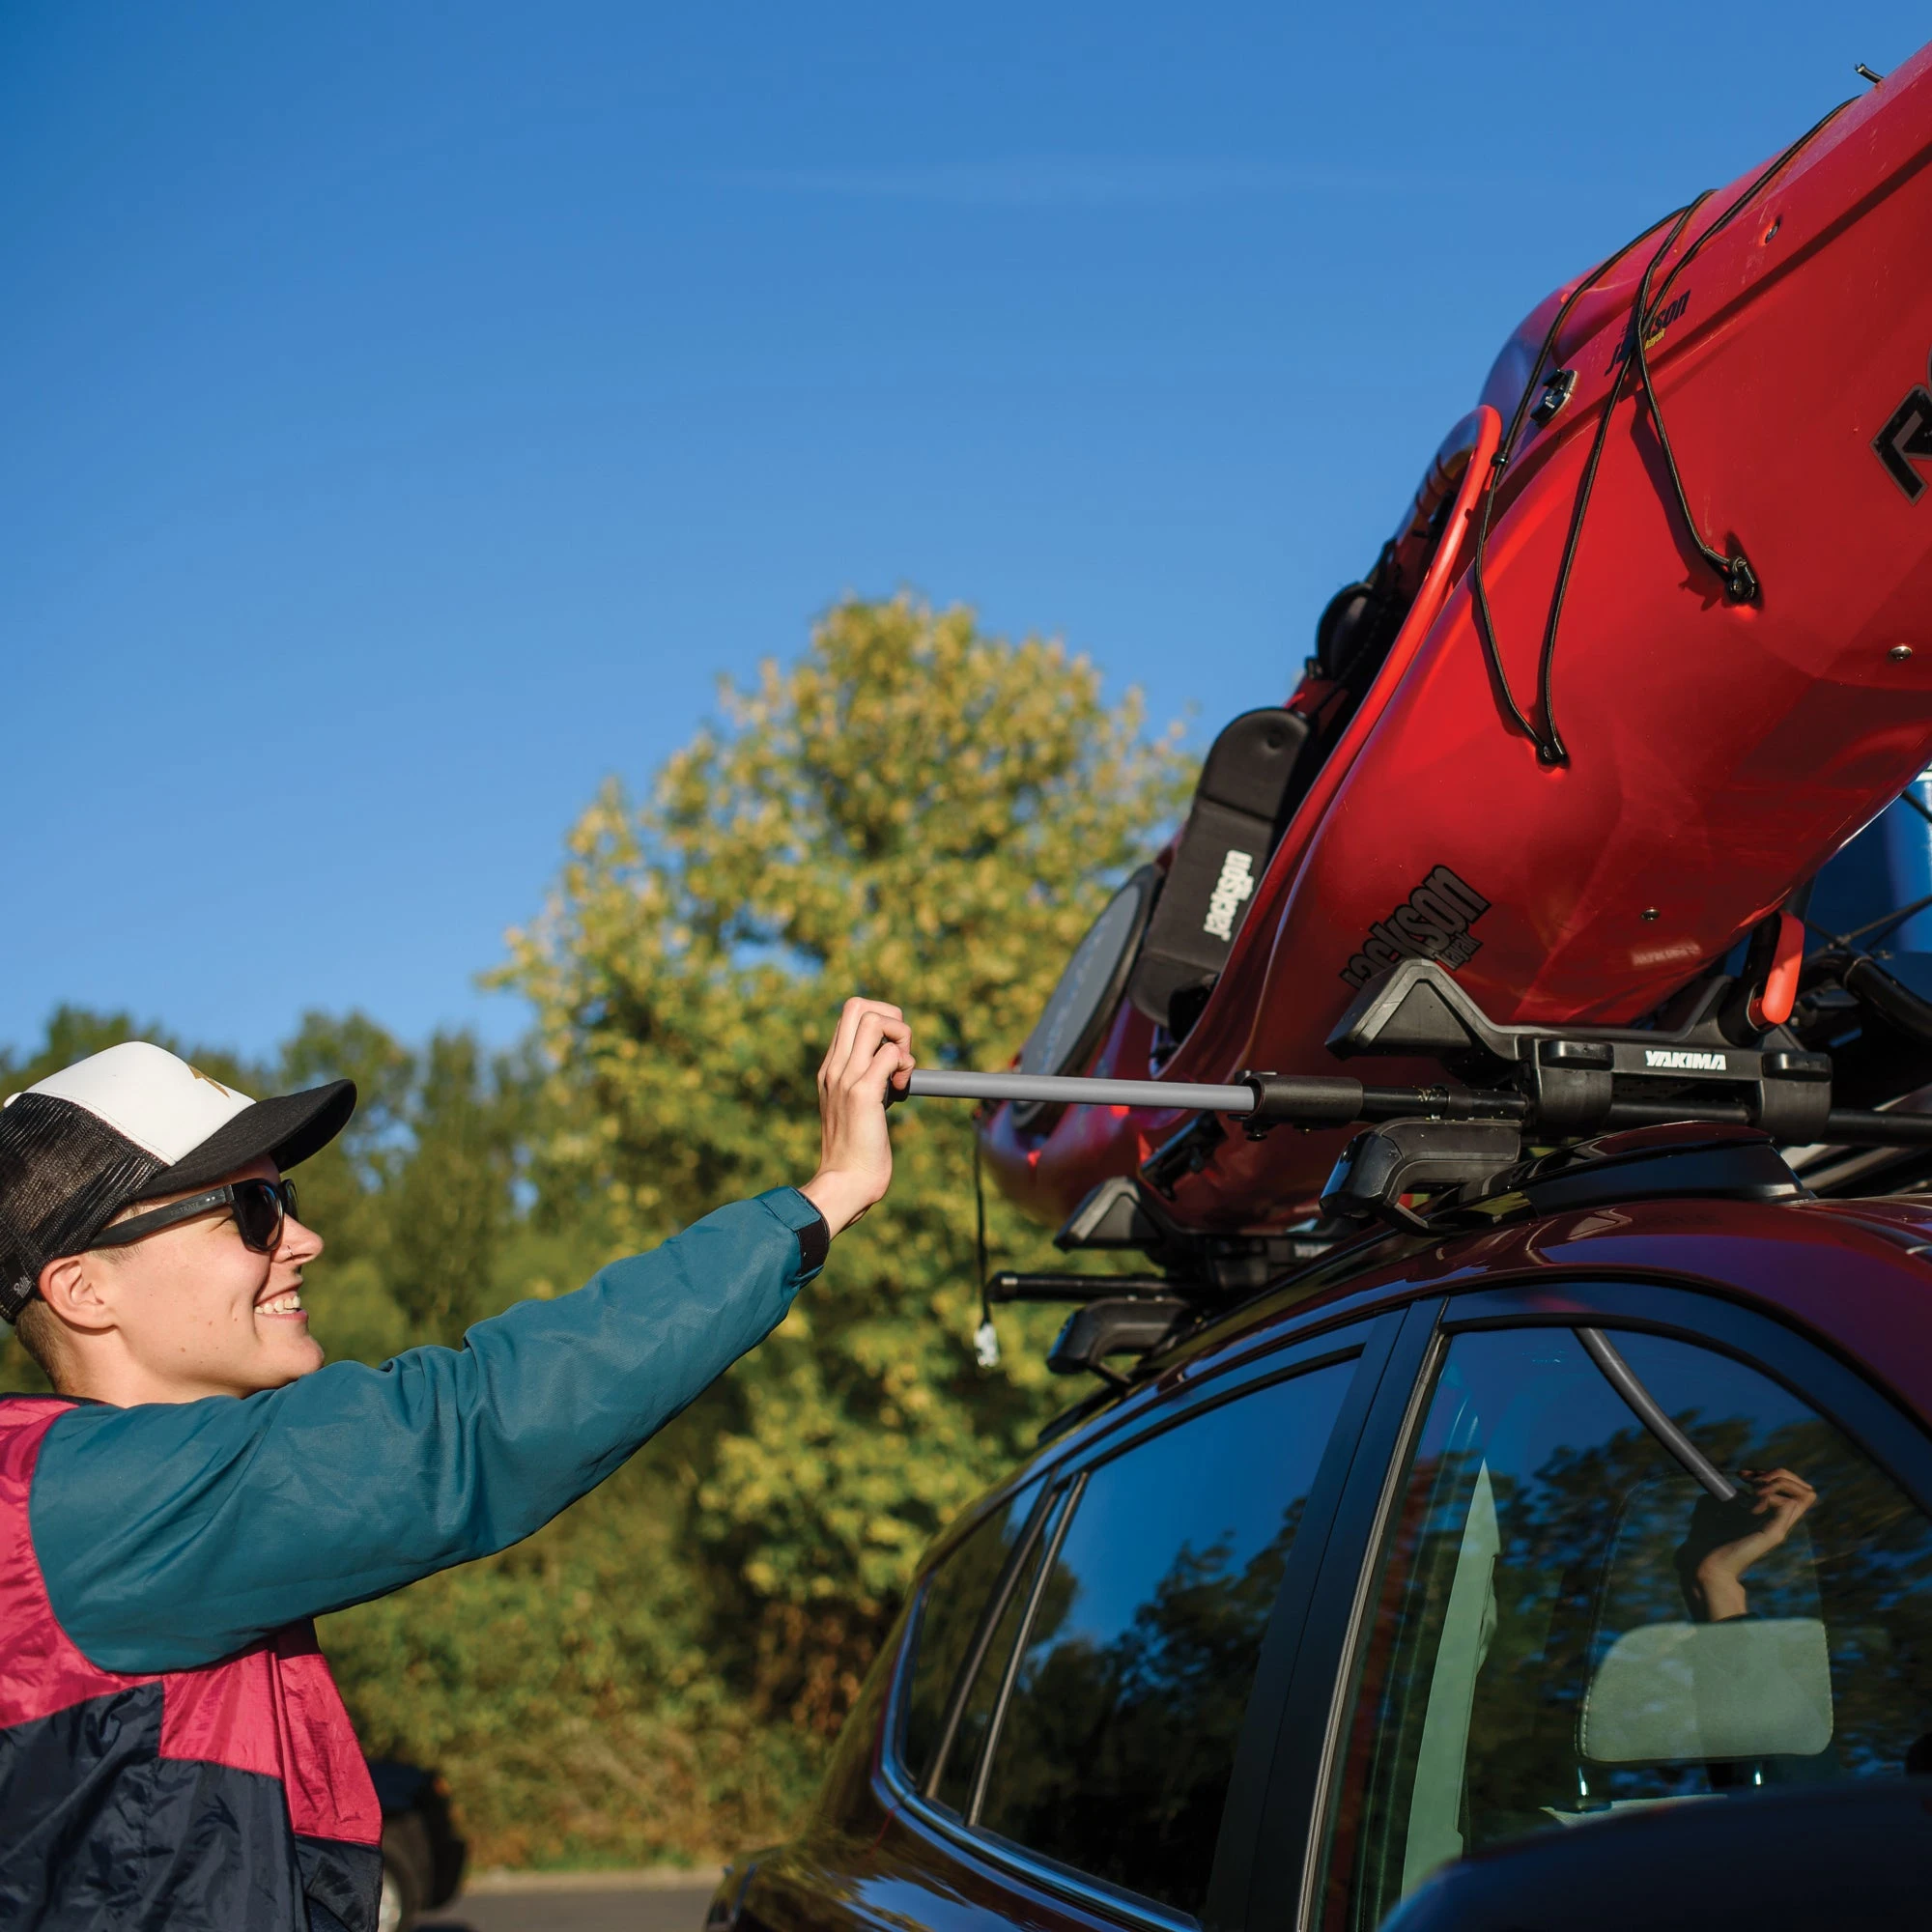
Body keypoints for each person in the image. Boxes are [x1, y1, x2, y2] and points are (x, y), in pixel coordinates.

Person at [0, 997, 913, 1932]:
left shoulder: (101, 1508)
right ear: (83, 1287)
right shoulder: (80, 1507)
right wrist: (826, 1193)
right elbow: (467, 1425)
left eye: (288, 1201)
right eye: (251, 1210)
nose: (302, 1240)